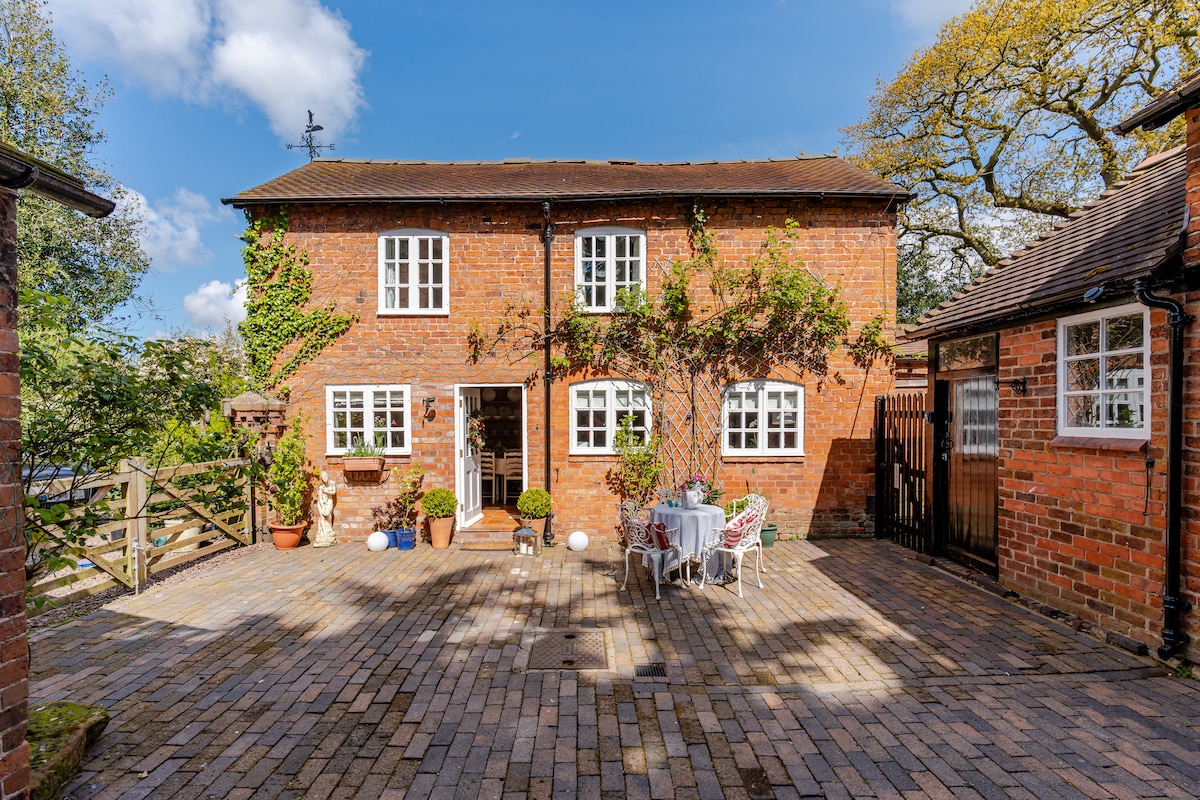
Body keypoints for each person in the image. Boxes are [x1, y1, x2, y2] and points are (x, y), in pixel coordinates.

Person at [313, 470, 337, 547]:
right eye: (323, 477)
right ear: (321, 479)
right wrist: (322, 506)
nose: (325, 478)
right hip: (321, 503)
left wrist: (326, 491)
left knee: (327, 514)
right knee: (322, 516)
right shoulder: (321, 487)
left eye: (325, 476)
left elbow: (333, 492)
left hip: (329, 501)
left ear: (328, 476)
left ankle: (329, 528)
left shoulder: (332, 483)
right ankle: (324, 533)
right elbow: (320, 497)